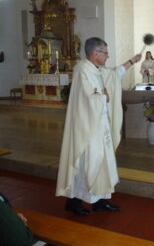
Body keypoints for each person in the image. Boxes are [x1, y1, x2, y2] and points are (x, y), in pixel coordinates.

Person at [56, 37, 142, 216]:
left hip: (100, 126)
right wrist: (103, 97)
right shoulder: (82, 70)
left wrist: (132, 61)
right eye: (105, 52)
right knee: (86, 164)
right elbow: (85, 97)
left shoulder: (97, 69)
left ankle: (101, 201)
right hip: (87, 128)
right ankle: (73, 202)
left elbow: (114, 74)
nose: (107, 56)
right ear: (95, 53)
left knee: (104, 163)